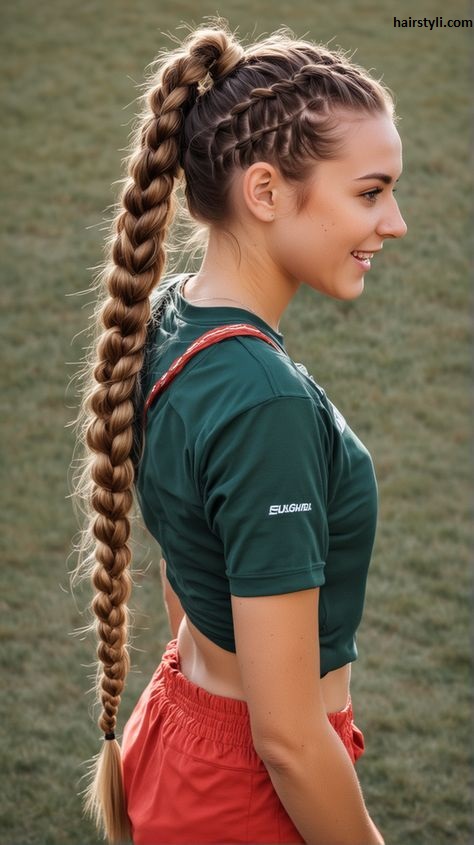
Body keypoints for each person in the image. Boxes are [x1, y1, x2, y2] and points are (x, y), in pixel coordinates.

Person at [72, 18, 407, 845]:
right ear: (264, 192)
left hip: (181, 723)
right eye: (370, 192)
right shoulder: (265, 406)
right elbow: (290, 741)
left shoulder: (168, 315)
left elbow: (188, 562)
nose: (394, 222)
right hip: (247, 793)